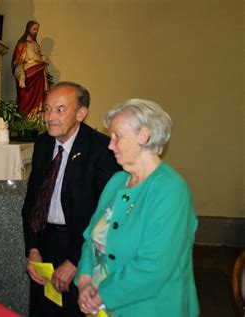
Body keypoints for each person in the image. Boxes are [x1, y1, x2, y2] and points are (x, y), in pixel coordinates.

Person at [76, 99, 200, 316]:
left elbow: (155, 267)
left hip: (151, 308)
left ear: (143, 136)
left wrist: (101, 295)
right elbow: (90, 238)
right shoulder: (117, 181)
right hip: (101, 307)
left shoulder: (171, 190)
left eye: (117, 136)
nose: (110, 145)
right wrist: (85, 280)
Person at [22, 81, 120, 316]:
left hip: (79, 244)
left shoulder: (101, 149)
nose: (50, 117)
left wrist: (76, 261)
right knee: (42, 310)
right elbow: (33, 201)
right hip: (44, 242)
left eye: (60, 109)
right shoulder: (43, 143)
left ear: (81, 113)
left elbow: (104, 216)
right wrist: (32, 248)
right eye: (46, 109)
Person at [12, 20, 49, 118]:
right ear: (28, 29)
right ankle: (25, 119)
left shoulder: (36, 45)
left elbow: (39, 58)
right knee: (26, 99)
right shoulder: (22, 44)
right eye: (34, 29)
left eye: (37, 29)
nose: (36, 31)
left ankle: (36, 119)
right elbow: (17, 62)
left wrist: (43, 61)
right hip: (28, 77)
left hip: (39, 76)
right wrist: (21, 74)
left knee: (39, 101)